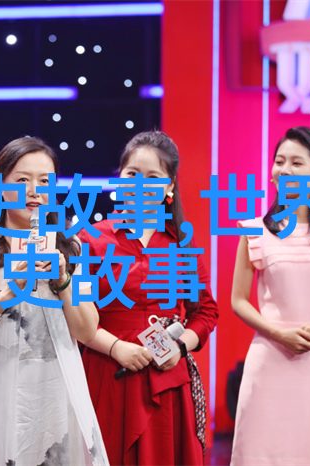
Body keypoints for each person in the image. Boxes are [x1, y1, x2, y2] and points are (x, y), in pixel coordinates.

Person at [0, 137, 109, 466]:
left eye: (45, 181)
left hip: (53, 394)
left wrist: (63, 280)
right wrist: (9, 292)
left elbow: (88, 330)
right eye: (22, 180)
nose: (34, 191)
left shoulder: (72, 246)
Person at [79, 131, 219, 466]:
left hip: (166, 378)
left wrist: (180, 347)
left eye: (153, 177)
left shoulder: (182, 244)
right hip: (107, 372)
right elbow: (75, 318)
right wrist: (117, 348)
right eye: (132, 174)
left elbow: (206, 311)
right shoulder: (90, 239)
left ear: (169, 187)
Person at [230, 126, 310, 466]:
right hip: (268, 360)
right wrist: (278, 332)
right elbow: (238, 300)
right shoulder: (255, 231)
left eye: (296, 163)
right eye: (279, 161)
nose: (284, 170)